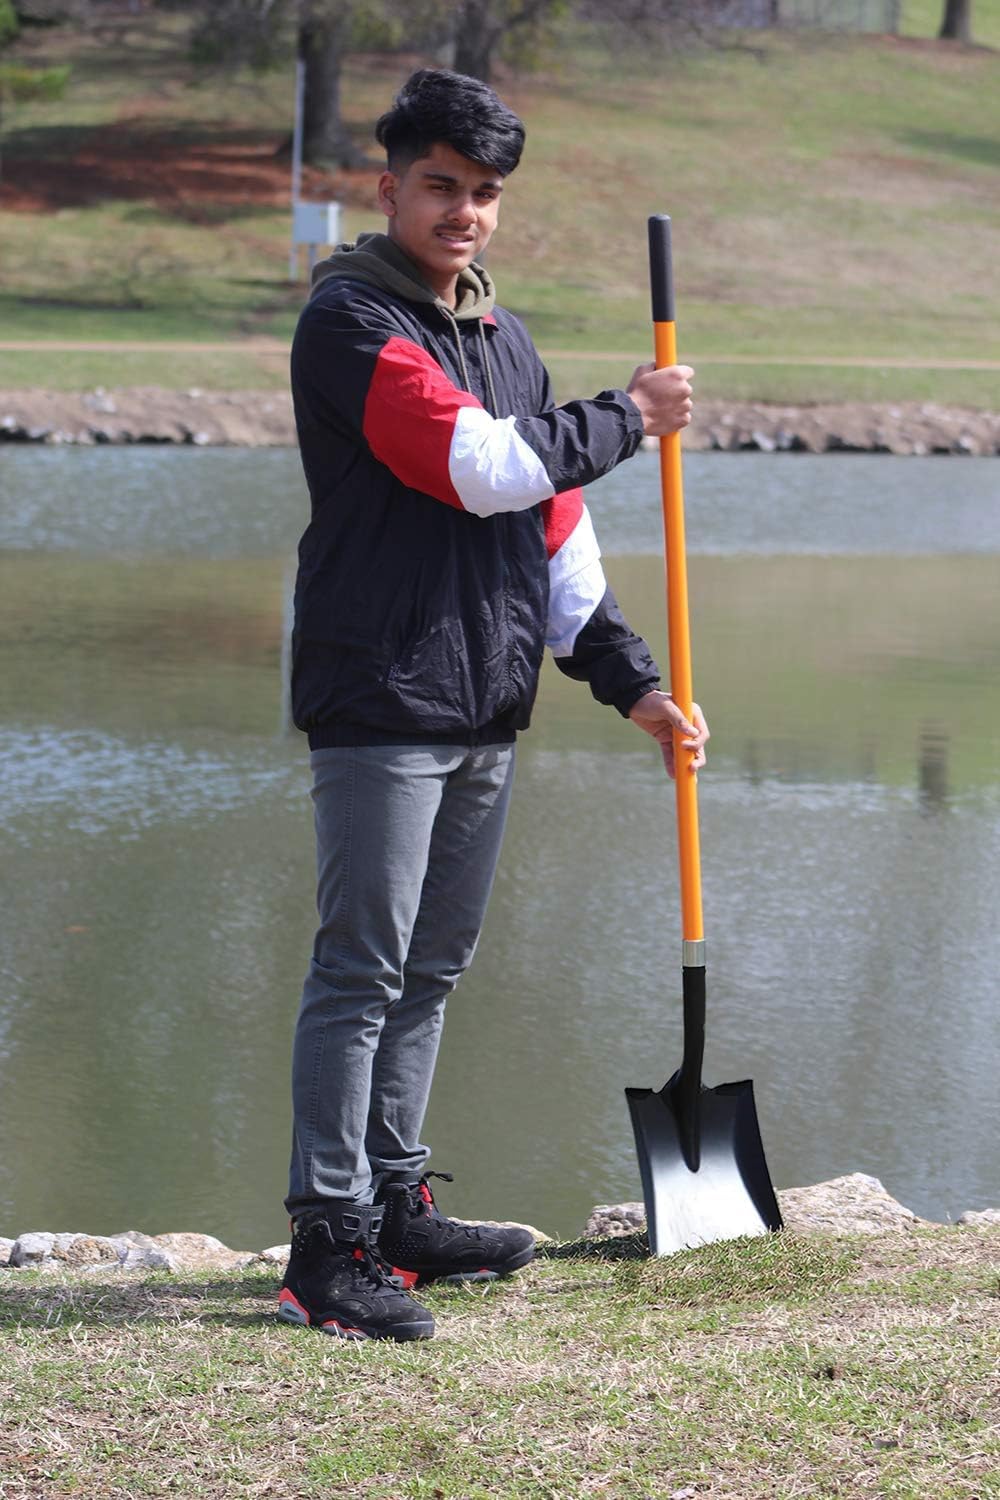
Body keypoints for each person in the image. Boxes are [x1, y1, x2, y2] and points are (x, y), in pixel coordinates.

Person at [280, 67, 708, 1343]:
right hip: (380, 692)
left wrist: (632, 683)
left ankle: (397, 1207)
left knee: (431, 969)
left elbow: (551, 531)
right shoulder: (352, 322)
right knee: (360, 971)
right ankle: (326, 1246)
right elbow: (476, 467)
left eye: (483, 193)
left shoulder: (504, 337)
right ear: (388, 188)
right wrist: (628, 415)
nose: (462, 211)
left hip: (483, 701)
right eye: (440, 186)